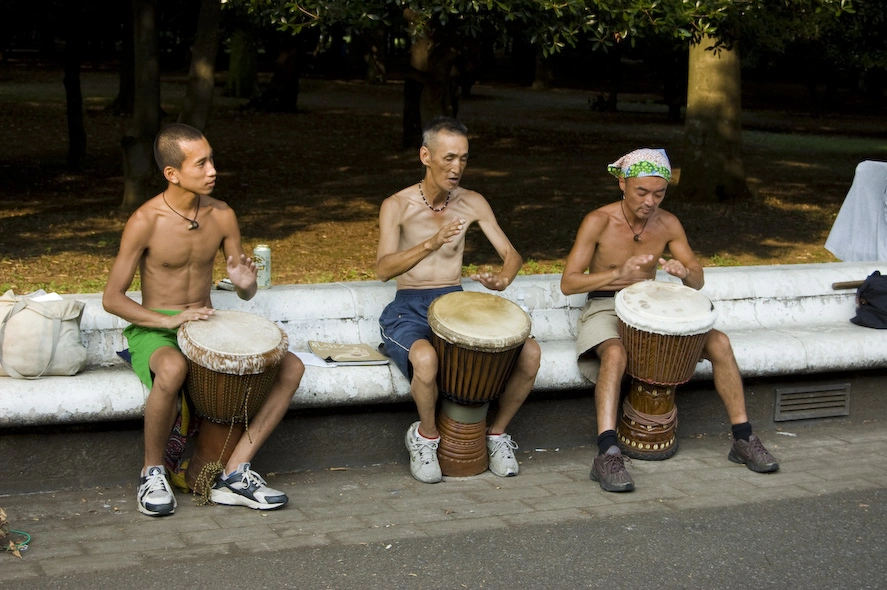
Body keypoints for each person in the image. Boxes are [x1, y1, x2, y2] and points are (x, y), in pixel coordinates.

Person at [103, 123, 305, 516]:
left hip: (204, 321)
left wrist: (247, 286)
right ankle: (152, 472)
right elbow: (112, 298)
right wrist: (166, 322)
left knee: (292, 368)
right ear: (172, 174)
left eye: (212, 159)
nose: (213, 169)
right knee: (173, 368)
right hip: (155, 325)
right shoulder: (146, 220)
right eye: (202, 163)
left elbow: (244, 286)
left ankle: (236, 470)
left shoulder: (222, 215)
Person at [560, 147, 779, 493]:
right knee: (615, 353)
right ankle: (607, 451)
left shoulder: (668, 223)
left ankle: (743, 437)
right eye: (642, 192)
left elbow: (697, 278)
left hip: (651, 308)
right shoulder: (598, 221)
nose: (650, 201)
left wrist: (684, 273)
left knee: (719, 342)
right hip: (605, 305)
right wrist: (618, 273)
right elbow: (568, 282)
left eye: (659, 193)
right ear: (622, 183)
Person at [376, 116, 541, 483]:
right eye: (449, 157)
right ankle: (426, 437)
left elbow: (512, 255)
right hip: (409, 306)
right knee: (425, 358)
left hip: (455, 305)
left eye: (464, 158)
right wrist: (430, 244)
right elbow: (384, 269)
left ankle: (496, 434)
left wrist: (503, 278)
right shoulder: (397, 205)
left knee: (530, 353)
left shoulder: (473, 202)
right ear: (425, 156)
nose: (457, 167)